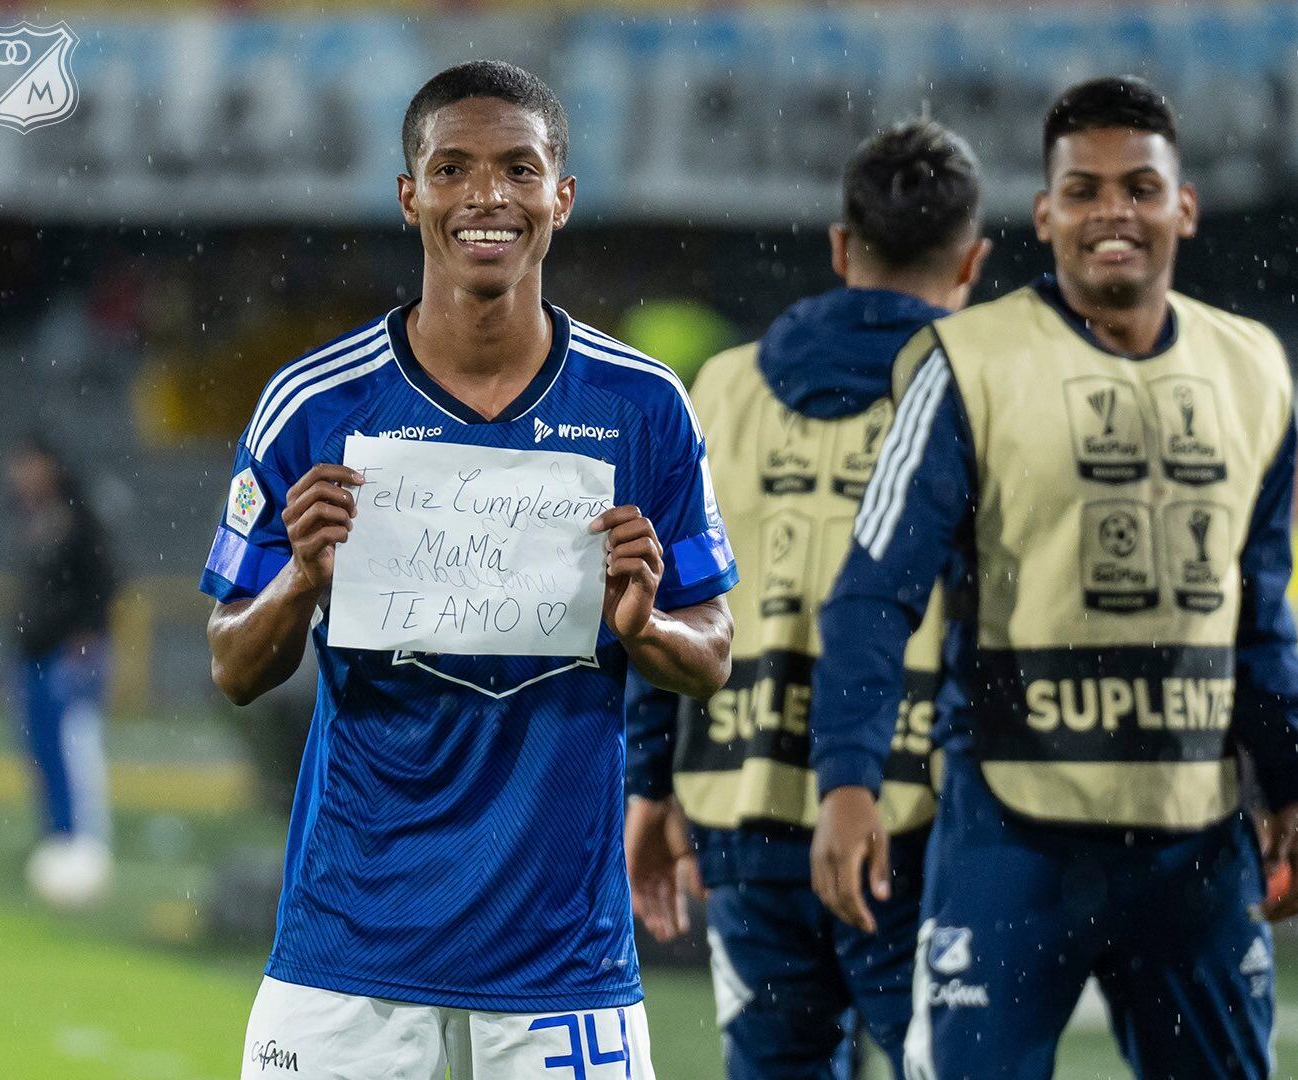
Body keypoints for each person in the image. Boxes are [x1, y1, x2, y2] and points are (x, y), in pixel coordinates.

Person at [199, 60, 738, 1080]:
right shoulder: (313, 405)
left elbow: (710, 654)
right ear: (411, 196)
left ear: (561, 197)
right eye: (453, 169)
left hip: (561, 956)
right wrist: (300, 580)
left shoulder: (646, 405)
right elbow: (232, 664)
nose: (487, 196)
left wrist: (645, 629)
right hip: (349, 943)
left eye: (518, 170)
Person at [810, 76, 1298, 1080]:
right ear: (1046, 214)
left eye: (1139, 187)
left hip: (1195, 842)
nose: (1112, 212)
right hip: (1013, 837)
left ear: (1184, 206)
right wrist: (848, 781)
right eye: (1083, 190)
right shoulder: (965, 363)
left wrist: (1288, 770)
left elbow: (1259, 607)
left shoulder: (1255, 369)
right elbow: (873, 592)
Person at [624, 119, 989, 1079]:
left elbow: (663, 595)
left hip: (741, 808)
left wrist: (651, 782)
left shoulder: (726, 386)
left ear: (839, 247)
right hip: (918, 823)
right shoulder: (988, 391)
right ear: (973, 261)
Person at [8, 434, 117, 910]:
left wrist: (88, 632)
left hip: (68, 653)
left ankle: (87, 844)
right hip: (32, 652)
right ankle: (57, 839)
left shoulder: (78, 514)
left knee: (76, 743)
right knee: (40, 749)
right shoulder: (31, 514)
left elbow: (107, 579)